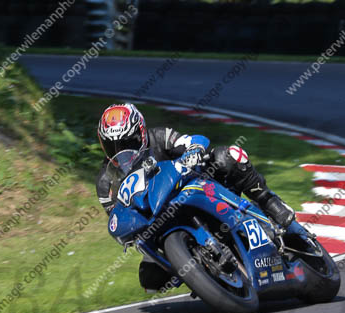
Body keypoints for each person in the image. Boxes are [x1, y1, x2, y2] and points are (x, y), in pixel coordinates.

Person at [96, 102, 295, 292]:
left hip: (195, 188)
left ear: (141, 133)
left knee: (228, 156)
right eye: (112, 146)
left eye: (128, 143)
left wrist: (194, 150)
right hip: (157, 223)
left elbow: (191, 141)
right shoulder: (105, 183)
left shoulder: (159, 137)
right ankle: (203, 273)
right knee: (149, 279)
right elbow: (117, 216)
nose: (121, 152)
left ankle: (270, 202)